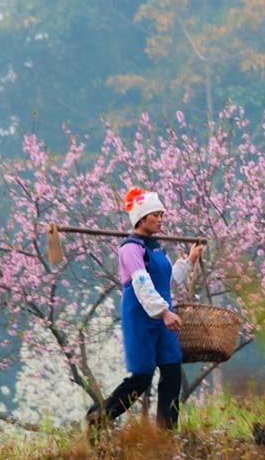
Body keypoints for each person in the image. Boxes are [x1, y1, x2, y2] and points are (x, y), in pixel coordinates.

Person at [86, 186, 203, 438]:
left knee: (172, 373)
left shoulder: (156, 247)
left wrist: (190, 260)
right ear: (141, 218)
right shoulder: (131, 248)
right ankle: (99, 416)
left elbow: (167, 281)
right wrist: (164, 313)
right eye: (155, 215)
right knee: (141, 378)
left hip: (163, 317)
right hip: (141, 319)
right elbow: (141, 283)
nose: (161, 219)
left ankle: (166, 434)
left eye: (162, 214)